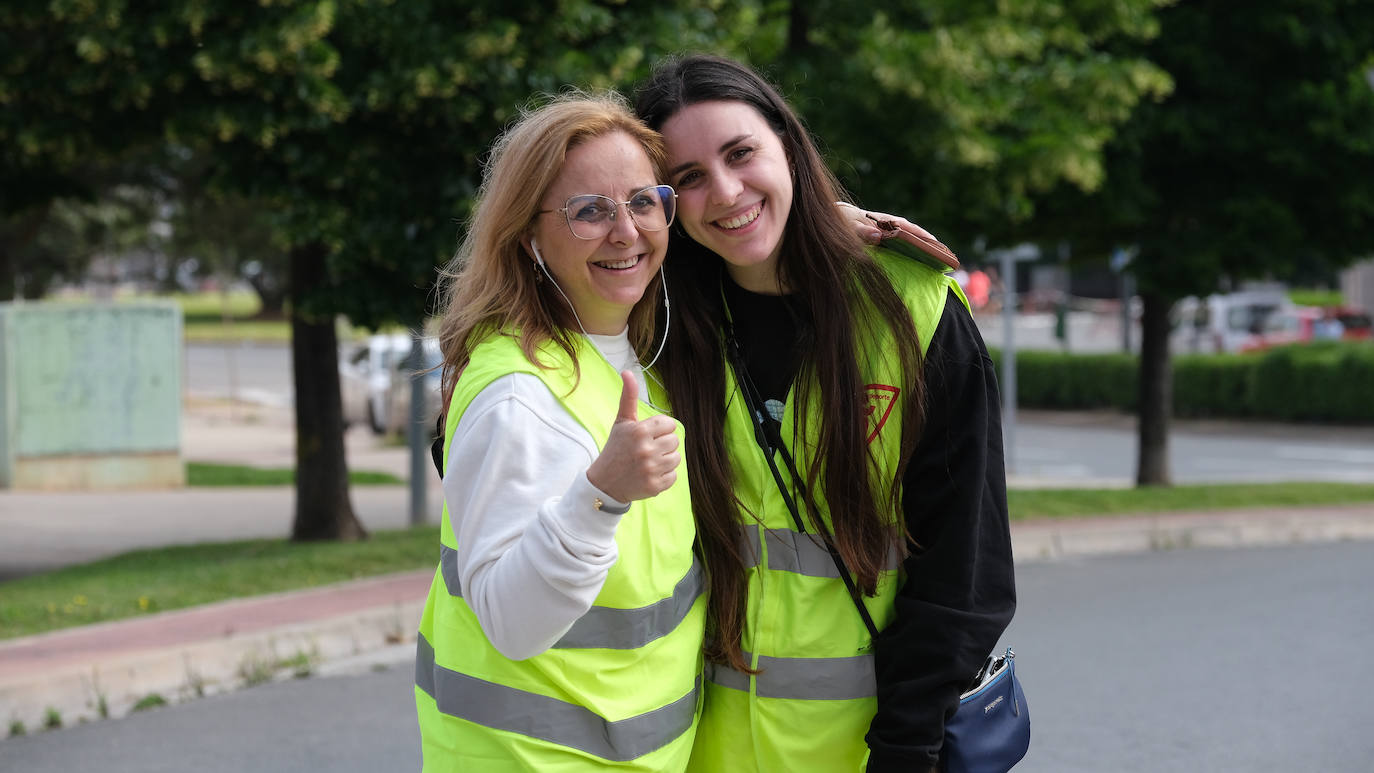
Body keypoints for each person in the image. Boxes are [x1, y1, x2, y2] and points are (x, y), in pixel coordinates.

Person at [635, 54, 1017, 772]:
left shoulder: (915, 306)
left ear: (787, 143)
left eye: (741, 153)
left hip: (872, 751)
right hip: (697, 754)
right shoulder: (651, 325)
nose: (724, 191)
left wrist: (906, 749)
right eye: (687, 178)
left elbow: (965, 569)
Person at [413, 91, 705, 771]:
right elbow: (511, 621)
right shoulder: (519, 394)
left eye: (642, 201)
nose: (627, 232)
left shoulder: (628, 345)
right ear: (529, 235)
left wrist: (824, 222)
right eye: (589, 211)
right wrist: (600, 495)